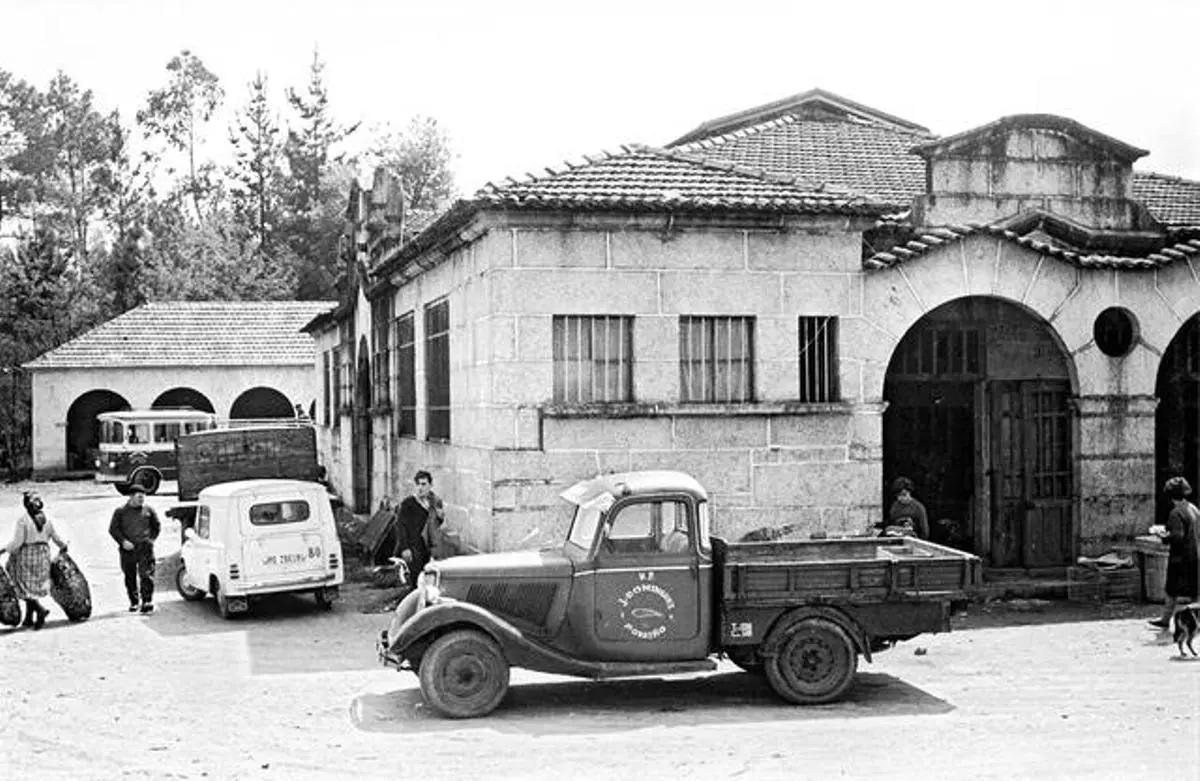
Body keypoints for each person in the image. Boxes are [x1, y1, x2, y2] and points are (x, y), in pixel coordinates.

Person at [1, 490, 68, 630]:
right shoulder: (46, 520)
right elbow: (55, 537)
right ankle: (29, 617)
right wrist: (63, 546)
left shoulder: (23, 521)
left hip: (27, 556)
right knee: (31, 587)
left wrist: (4, 550)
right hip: (43, 557)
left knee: (21, 585)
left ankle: (40, 610)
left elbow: (17, 543)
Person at [1149, 476, 1199, 630]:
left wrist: (1162, 535)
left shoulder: (1175, 513)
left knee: (1171, 589)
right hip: (1195, 554)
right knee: (1194, 590)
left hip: (1180, 558)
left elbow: (1177, 537)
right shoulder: (1193, 509)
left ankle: (1166, 619)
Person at [108, 484, 161, 614]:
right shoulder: (120, 511)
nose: (142, 499)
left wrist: (151, 540)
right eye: (139, 497)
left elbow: (156, 526)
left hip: (145, 548)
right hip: (128, 549)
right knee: (130, 576)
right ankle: (134, 602)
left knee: (146, 574)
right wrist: (123, 541)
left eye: (143, 497)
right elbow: (113, 529)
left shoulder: (149, 510)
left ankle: (147, 601)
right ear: (131, 497)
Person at [395, 470, 445, 581]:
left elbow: (436, 525)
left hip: (428, 547)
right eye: (418, 484)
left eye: (423, 484)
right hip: (413, 548)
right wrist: (405, 548)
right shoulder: (408, 503)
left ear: (430, 485)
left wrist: (440, 517)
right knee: (416, 580)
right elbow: (400, 526)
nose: (420, 488)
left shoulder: (435, 502)